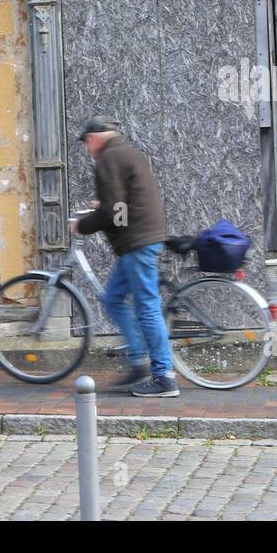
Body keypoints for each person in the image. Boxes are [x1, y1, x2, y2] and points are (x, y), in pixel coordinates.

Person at [72, 116, 178, 398]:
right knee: (113, 298)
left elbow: (115, 214)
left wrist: (83, 225)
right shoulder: (127, 153)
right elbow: (121, 202)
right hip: (143, 238)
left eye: (86, 142)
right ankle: (138, 361)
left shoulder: (108, 158)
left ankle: (164, 376)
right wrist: (104, 205)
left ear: (94, 137)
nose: (86, 148)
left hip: (137, 242)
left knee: (147, 308)